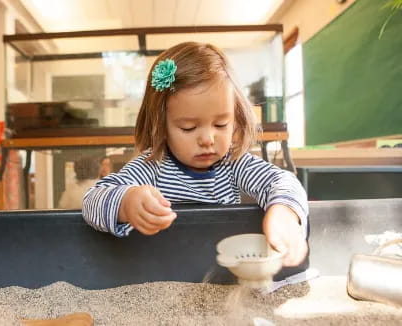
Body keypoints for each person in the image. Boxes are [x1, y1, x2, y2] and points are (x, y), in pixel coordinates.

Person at [82, 42, 308, 267]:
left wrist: (285, 213)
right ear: (161, 125)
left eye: (221, 124)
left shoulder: (234, 163)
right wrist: (126, 202)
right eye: (188, 128)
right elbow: (92, 200)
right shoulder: (152, 167)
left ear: (236, 118)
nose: (208, 139)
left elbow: (283, 180)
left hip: (222, 272)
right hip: (163, 271)